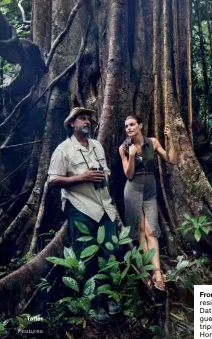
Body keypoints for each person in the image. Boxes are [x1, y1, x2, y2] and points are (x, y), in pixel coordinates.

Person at [48, 107, 120, 323]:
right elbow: (52, 181)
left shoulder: (97, 146)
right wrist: (82, 177)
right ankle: (94, 303)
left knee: (110, 251)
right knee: (86, 256)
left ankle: (107, 296)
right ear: (72, 124)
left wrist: (100, 176)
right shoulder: (63, 150)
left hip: (105, 207)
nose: (86, 121)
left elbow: (105, 171)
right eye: (82, 118)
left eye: (88, 118)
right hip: (80, 208)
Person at [119, 115, 177, 290]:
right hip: (133, 188)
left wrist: (170, 139)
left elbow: (172, 159)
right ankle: (152, 271)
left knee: (152, 229)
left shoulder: (152, 142)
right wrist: (130, 156)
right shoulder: (123, 147)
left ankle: (157, 271)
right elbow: (128, 175)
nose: (128, 128)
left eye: (132, 124)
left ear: (140, 125)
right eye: (126, 126)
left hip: (150, 188)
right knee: (141, 230)